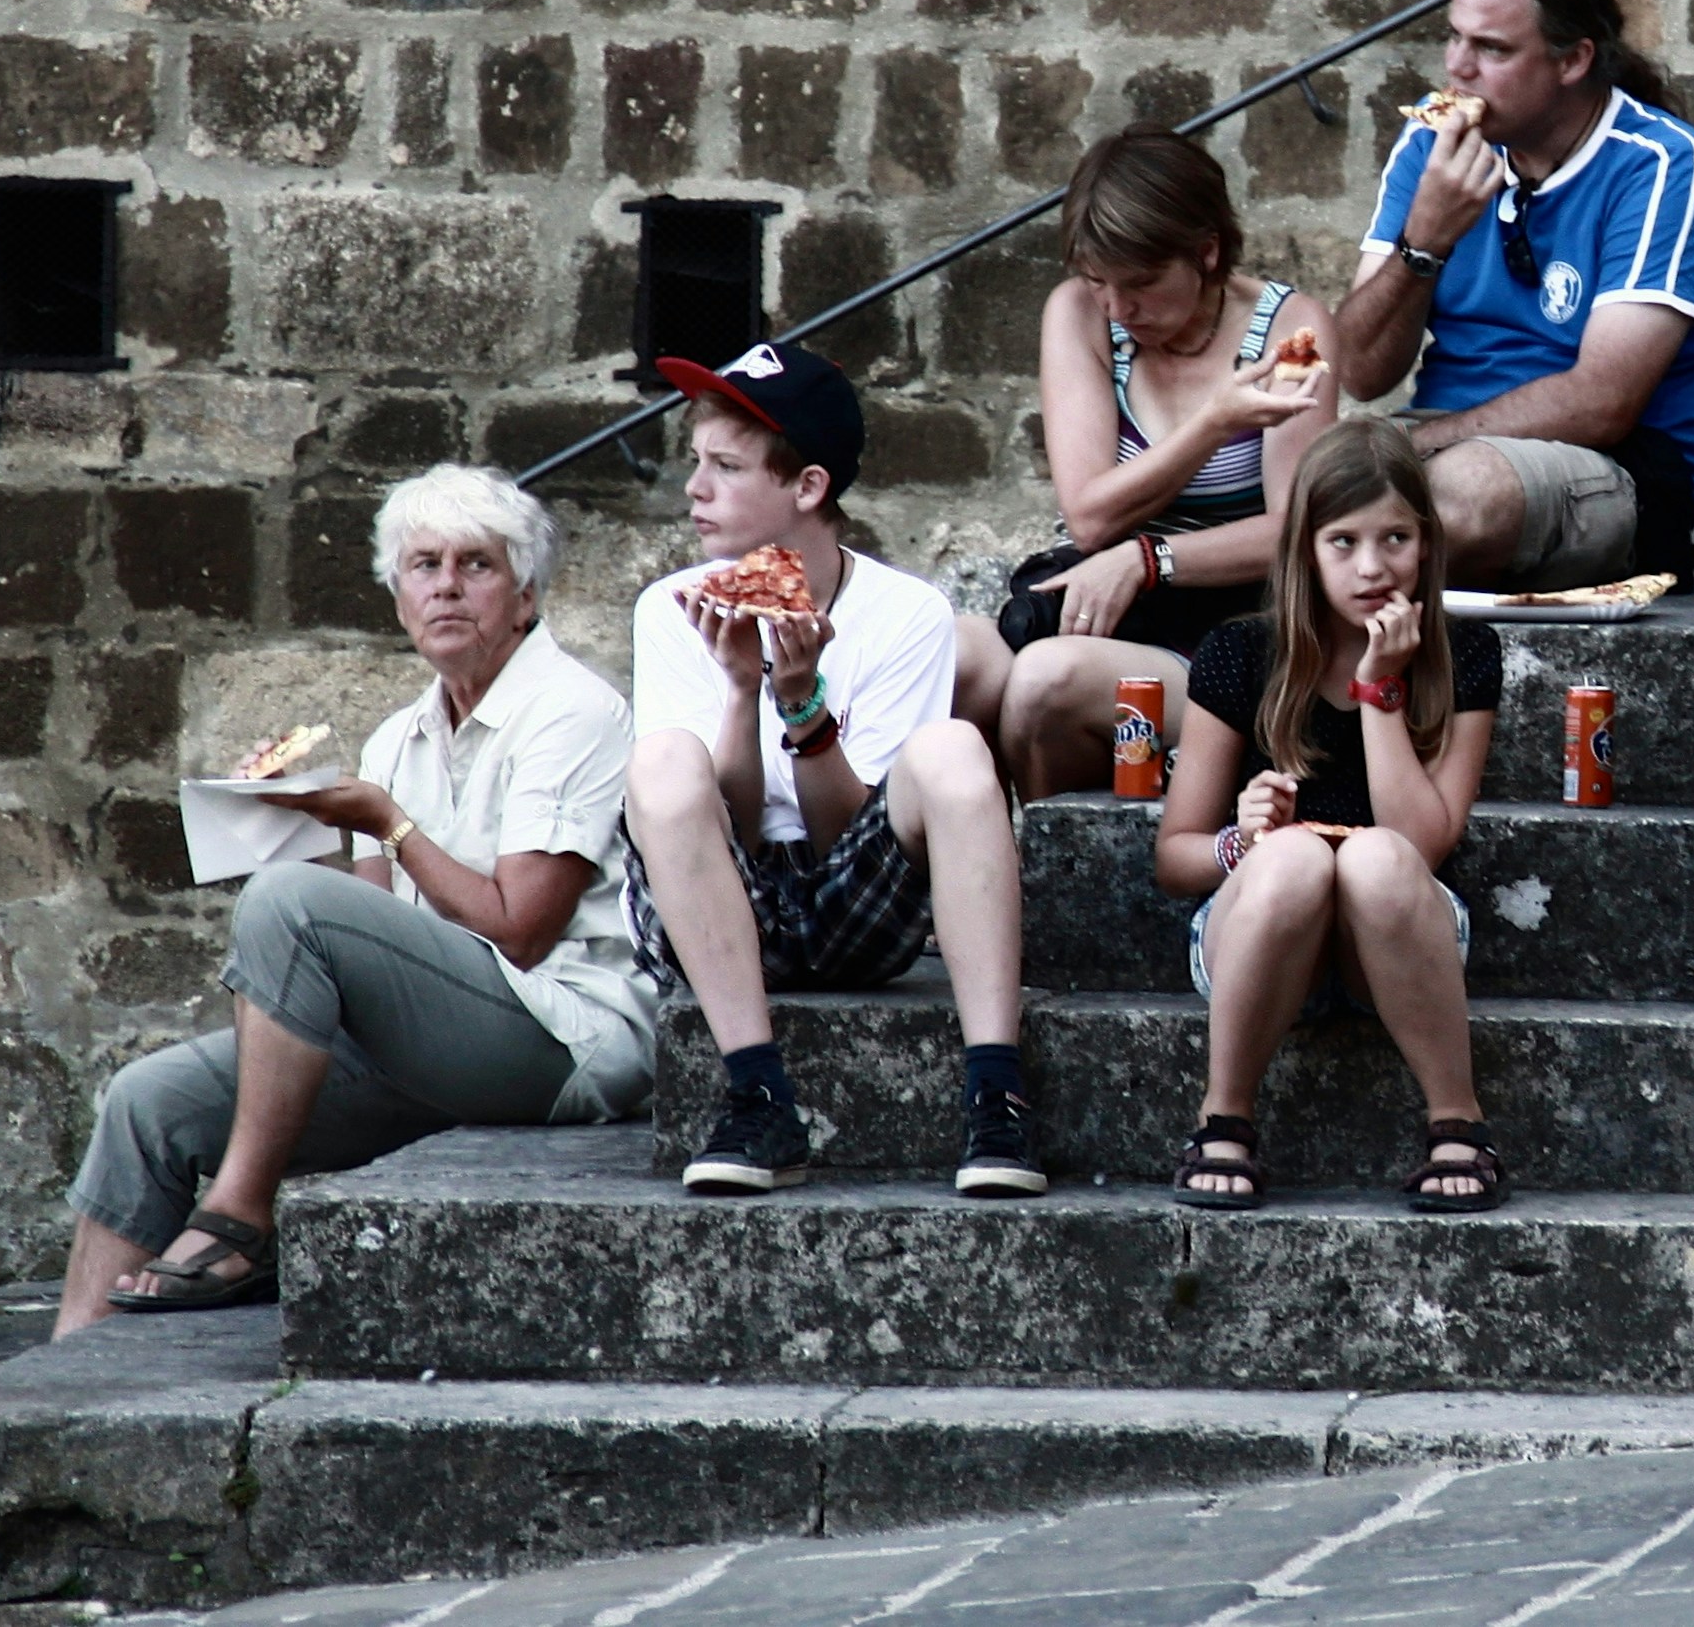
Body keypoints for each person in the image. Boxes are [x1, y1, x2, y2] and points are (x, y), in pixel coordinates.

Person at [55, 466, 639, 1332]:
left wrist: (383, 819)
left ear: (524, 597)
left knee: (290, 903)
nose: (446, 585)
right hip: (441, 1043)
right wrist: (287, 823)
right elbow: (378, 932)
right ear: (398, 595)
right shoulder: (397, 736)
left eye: (476, 565)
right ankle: (71, 1375)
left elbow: (522, 930)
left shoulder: (572, 711)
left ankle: (240, 1217)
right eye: (423, 565)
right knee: (148, 1102)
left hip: (567, 1038)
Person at [622, 340, 1044, 1199]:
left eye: (727, 467)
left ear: (807, 488)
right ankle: (758, 1096)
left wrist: (805, 706)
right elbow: (721, 826)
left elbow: (849, 834)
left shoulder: (906, 613)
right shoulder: (668, 610)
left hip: (853, 898)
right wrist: (743, 693)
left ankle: (997, 1092)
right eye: (695, 462)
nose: (695, 489)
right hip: (717, 898)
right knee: (663, 758)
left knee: (956, 749)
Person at [1154, 418, 1509, 1212]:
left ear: (1428, 545)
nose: (1374, 567)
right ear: (1305, 553)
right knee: (1295, 859)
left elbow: (1424, 843)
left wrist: (1381, 689)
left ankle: (1458, 1118)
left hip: (1398, 938)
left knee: (1377, 858)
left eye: (1396, 539)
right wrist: (1237, 842)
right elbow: (1173, 859)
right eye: (1343, 542)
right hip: (1262, 936)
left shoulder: (1466, 654)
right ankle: (1225, 1117)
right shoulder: (1240, 654)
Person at [1333, 0, 1694, 592]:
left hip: (1615, 467)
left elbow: (1602, 401)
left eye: (1491, 48)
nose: (1458, 68)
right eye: (1454, 37)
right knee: (1291, 477)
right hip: (1438, 440)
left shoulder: (1662, 165)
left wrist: (1424, 444)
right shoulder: (1430, 144)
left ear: (1573, 60)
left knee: (1454, 498)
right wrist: (1423, 244)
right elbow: (1359, 368)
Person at [951, 126, 1339, 797]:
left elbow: (1297, 529)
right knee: (948, 656)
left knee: (1045, 681)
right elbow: (1090, 516)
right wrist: (1214, 422)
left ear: (1207, 254)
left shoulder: (1290, 330)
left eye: (1142, 284)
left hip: (1231, 634)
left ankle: (1061, 872)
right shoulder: (1081, 314)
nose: (1119, 307)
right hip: (1114, 607)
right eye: (1098, 281)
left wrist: (1149, 559)